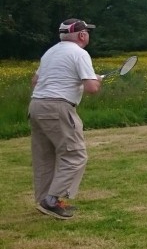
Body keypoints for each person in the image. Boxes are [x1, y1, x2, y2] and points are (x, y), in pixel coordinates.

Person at [29, 19, 102, 219]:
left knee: (45, 157)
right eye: (87, 31)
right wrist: (96, 80)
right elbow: (92, 88)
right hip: (58, 108)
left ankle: (45, 201)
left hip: (36, 105)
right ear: (81, 35)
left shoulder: (50, 52)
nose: (88, 35)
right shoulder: (80, 53)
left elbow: (35, 81)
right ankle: (51, 200)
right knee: (75, 155)